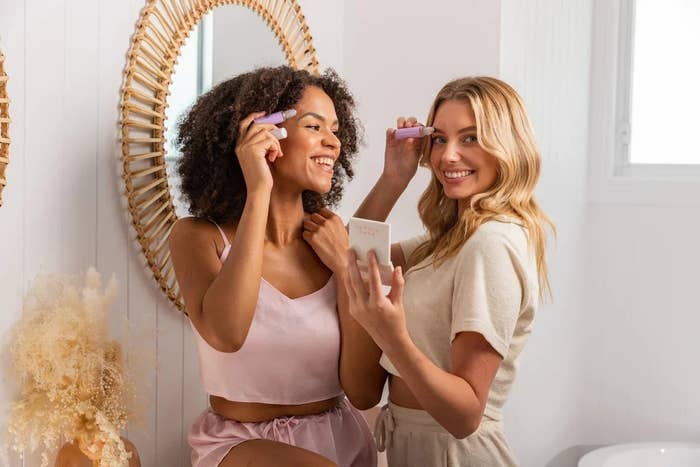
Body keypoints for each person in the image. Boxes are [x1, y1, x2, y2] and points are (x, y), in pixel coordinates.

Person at [340, 77, 554, 466]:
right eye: (439, 139)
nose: (448, 156)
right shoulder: (446, 241)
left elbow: (465, 413)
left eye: (470, 138)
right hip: (418, 448)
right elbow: (354, 255)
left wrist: (392, 336)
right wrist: (394, 178)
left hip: (456, 454)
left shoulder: (491, 243)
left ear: (507, 146)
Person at [169, 66, 376, 467]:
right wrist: (258, 186)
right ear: (265, 133)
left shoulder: (331, 240)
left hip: (341, 441)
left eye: (335, 130)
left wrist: (346, 269)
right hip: (240, 446)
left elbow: (364, 393)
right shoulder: (197, 237)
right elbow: (227, 334)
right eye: (315, 126)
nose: (332, 142)